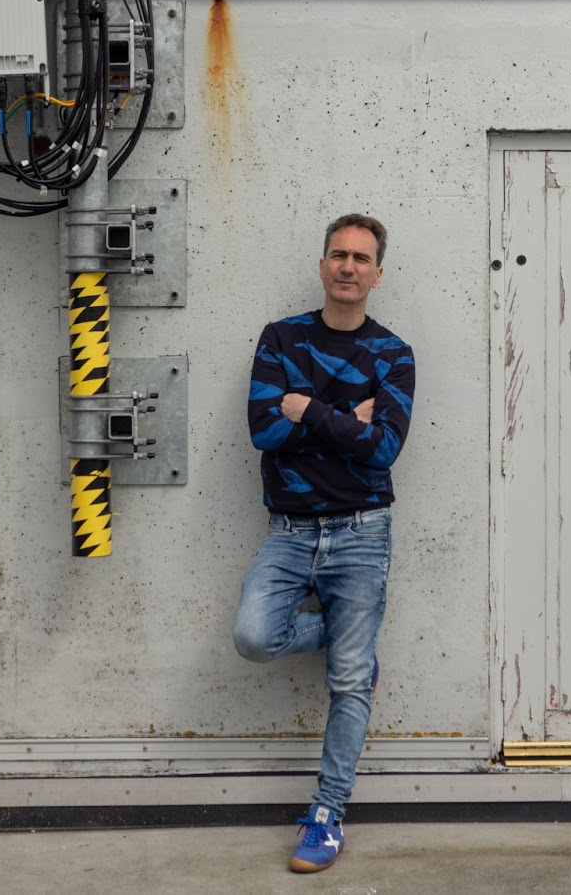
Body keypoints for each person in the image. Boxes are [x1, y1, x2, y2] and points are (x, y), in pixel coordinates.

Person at [232, 213, 416, 874]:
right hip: (289, 531)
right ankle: (348, 643)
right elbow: (260, 427)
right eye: (338, 254)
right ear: (322, 264)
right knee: (254, 635)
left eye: (361, 258)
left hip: (363, 531)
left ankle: (327, 814)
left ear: (377, 273)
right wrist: (346, 419)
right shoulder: (282, 337)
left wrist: (305, 408)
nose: (348, 266)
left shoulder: (393, 353)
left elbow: (385, 447)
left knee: (347, 684)